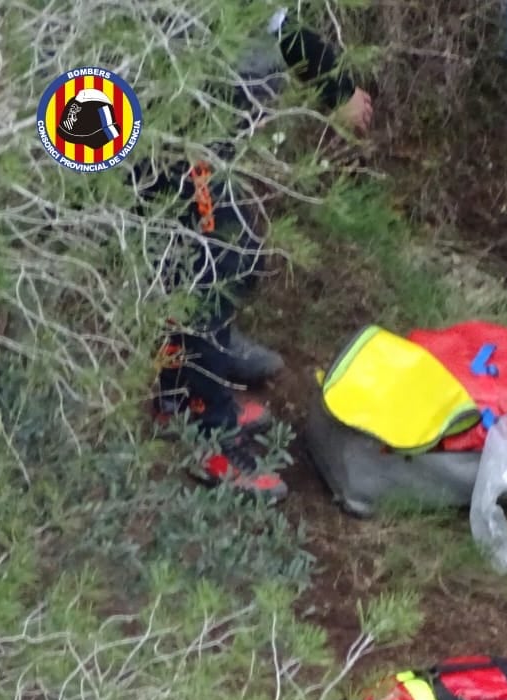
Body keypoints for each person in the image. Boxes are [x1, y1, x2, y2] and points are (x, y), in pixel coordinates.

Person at [148, 8, 374, 497]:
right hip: (168, 103)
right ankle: (199, 420)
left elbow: (273, 19)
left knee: (234, 249)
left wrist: (332, 83)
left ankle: (194, 370)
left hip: (200, 107)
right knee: (213, 258)